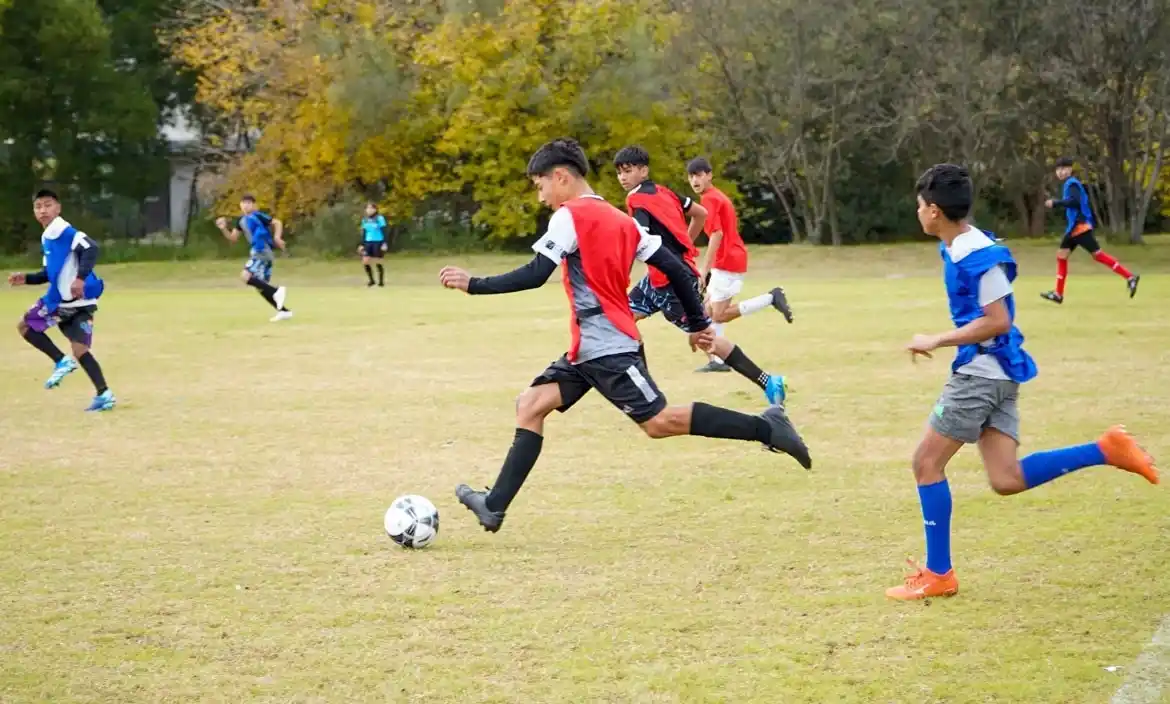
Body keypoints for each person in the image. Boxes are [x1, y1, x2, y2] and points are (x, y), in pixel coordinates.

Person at [438, 138, 812, 533]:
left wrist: (473, 283)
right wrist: (699, 322)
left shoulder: (570, 216)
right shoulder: (623, 219)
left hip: (609, 348)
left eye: (540, 184)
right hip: (589, 347)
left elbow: (535, 274)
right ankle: (494, 505)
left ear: (561, 177)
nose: (540, 195)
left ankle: (767, 427)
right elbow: (676, 267)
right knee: (531, 404)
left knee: (659, 422)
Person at [889, 163, 1158, 601]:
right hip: (995, 372)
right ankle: (1105, 449)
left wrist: (937, 338)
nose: (918, 212)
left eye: (920, 206)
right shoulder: (959, 246)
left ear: (934, 210)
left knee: (926, 464)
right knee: (1006, 478)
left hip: (981, 373)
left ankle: (939, 573)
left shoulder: (980, 257)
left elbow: (998, 321)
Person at [612, 146, 788, 403]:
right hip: (657, 279)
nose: (622, 178)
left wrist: (622, 273)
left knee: (708, 340)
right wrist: (684, 244)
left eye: (628, 171)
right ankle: (644, 393)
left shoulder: (635, 200)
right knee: (621, 318)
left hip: (674, 284)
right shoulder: (666, 192)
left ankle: (769, 381)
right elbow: (700, 214)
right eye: (619, 173)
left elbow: (635, 241)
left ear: (643, 170)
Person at [8, 189, 115, 411]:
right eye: (38, 206)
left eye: (47, 205)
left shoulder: (62, 230)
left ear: (58, 208)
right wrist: (26, 278)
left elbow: (91, 247)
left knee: (25, 325)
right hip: (80, 304)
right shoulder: (48, 236)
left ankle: (60, 360)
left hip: (65, 303)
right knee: (80, 350)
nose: (43, 210)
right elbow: (49, 273)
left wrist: (80, 278)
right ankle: (104, 394)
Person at [687, 156, 794, 334]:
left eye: (698, 175)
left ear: (709, 175)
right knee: (708, 312)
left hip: (727, 261)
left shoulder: (709, 199)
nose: (694, 180)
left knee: (718, 315)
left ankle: (770, 298)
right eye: (691, 177)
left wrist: (705, 270)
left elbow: (717, 233)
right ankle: (718, 360)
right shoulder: (714, 196)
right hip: (730, 258)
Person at [1040, 157, 1139, 304]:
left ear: (1070, 169)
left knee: (1097, 255)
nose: (1060, 172)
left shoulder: (1072, 183)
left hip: (1079, 227)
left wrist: (1056, 203)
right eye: (1058, 169)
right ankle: (1058, 294)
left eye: (1064, 168)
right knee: (1062, 256)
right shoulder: (1069, 184)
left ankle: (1130, 277)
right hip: (1074, 228)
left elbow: (1074, 201)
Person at [216, 195, 293, 321]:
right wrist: (223, 229)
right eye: (243, 203)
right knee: (261, 286)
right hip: (260, 252)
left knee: (245, 276)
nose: (245, 205)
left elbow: (277, 222)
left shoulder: (257, 215)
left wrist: (277, 237)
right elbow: (233, 238)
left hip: (262, 250)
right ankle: (284, 311)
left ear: (254, 205)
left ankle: (277, 291)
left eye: (248, 203)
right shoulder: (240, 221)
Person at [358, 202, 388, 287]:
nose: (369, 210)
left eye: (371, 208)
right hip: (368, 242)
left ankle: (381, 282)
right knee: (365, 261)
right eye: (367, 208)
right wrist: (362, 244)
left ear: (375, 209)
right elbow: (364, 233)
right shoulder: (365, 220)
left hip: (378, 242)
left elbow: (384, 231)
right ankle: (371, 280)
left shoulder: (379, 218)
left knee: (378, 261)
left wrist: (384, 243)